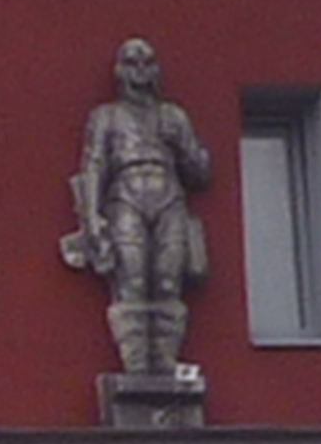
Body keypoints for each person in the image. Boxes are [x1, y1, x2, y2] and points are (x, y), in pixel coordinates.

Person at [62, 39, 216, 395]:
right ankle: (136, 366)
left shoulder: (174, 117)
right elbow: (94, 165)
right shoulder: (106, 116)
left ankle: (164, 363)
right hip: (126, 195)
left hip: (169, 194)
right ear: (120, 70)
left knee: (167, 279)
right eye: (132, 63)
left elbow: (200, 171)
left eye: (147, 62)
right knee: (131, 281)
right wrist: (91, 217)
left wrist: (180, 145)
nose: (140, 70)